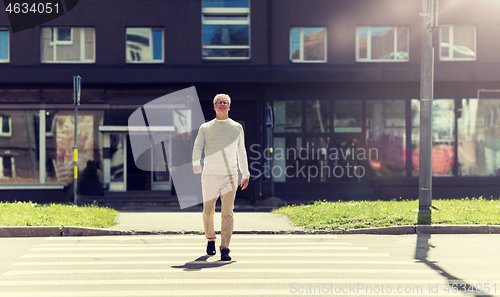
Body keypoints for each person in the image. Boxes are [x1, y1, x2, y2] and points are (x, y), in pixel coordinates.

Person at [192, 94, 249, 261]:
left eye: (225, 102)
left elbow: (241, 151)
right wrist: (196, 163)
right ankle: (210, 239)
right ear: (214, 107)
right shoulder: (205, 127)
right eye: (219, 102)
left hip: (230, 175)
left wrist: (245, 173)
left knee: (227, 212)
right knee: (208, 212)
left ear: (229, 107)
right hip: (209, 174)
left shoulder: (237, 127)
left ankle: (225, 248)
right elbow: (197, 146)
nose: (222, 104)